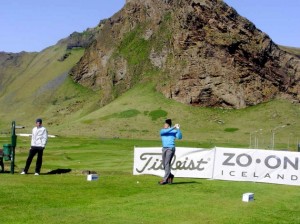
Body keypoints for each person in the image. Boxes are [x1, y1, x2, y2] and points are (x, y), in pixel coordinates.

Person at [159, 119, 182, 185]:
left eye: (165, 124)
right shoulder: (162, 130)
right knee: (164, 164)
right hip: (164, 148)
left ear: (168, 125)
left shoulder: (174, 131)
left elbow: (180, 137)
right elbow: (165, 132)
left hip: (170, 148)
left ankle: (165, 180)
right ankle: (170, 175)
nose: (164, 125)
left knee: (167, 163)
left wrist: (178, 129)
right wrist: (174, 127)